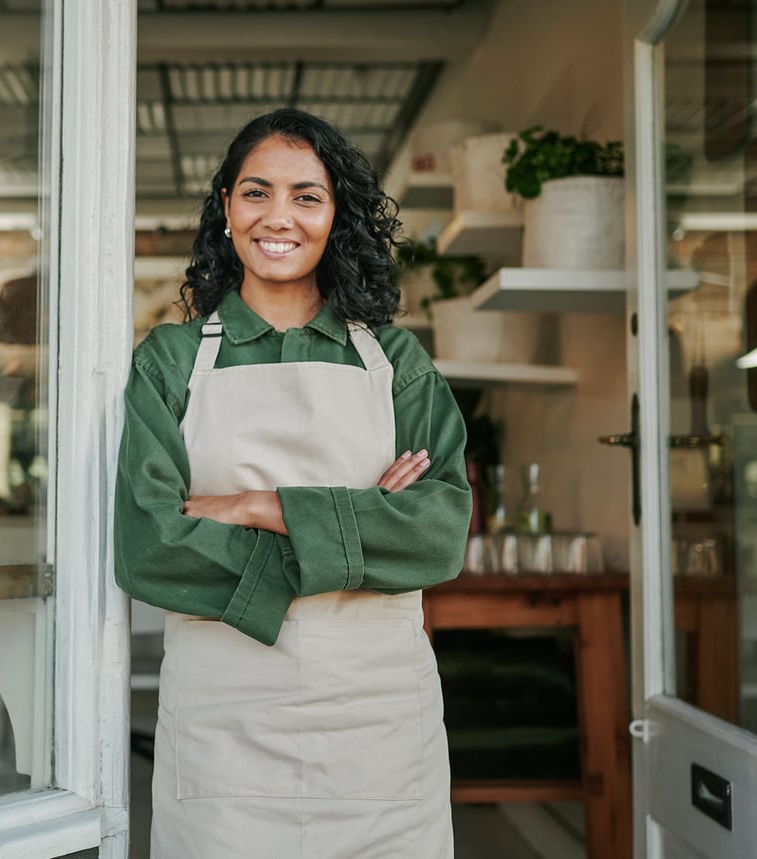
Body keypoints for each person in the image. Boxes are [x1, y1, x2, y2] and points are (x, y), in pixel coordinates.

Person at [114, 108, 472, 859]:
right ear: (226, 207)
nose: (279, 217)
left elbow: (438, 534)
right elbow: (147, 545)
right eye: (256, 192)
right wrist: (360, 529)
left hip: (375, 726)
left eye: (307, 196)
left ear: (336, 214)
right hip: (225, 724)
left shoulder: (397, 362)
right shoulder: (171, 361)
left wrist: (258, 506)